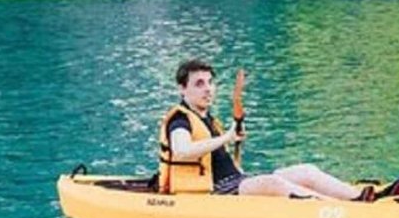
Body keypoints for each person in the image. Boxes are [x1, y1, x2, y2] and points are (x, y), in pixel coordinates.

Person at [158, 59, 369, 200]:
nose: (208, 89)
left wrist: (233, 139)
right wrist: (227, 137)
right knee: (273, 182)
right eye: (199, 84)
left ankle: (359, 197)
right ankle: (338, 209)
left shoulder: (208, 120)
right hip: (216, 191)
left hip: (237, 181)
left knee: (305, 170)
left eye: (210, 83)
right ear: (183, 89)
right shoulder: (180, 120)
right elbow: (181, 150)